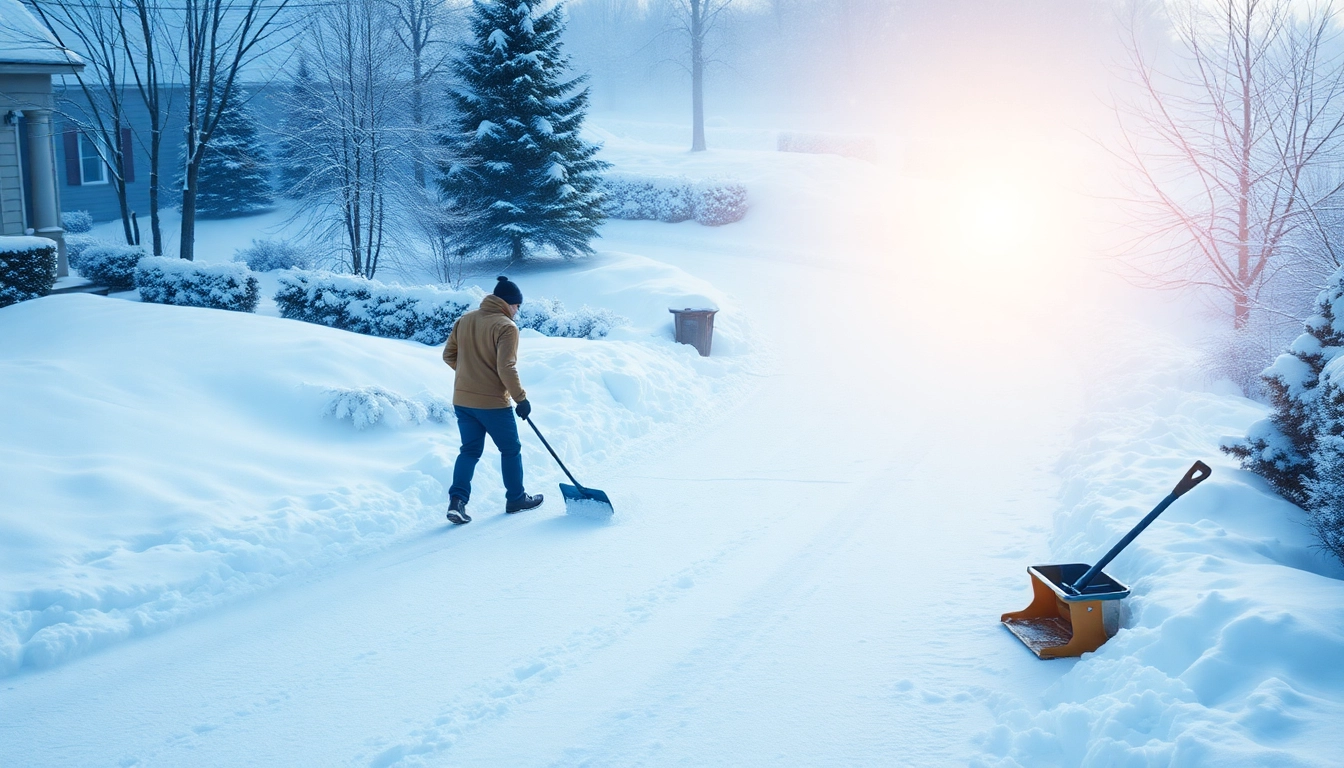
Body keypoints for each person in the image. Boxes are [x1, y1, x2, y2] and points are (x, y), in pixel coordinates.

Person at [441, 276, 544, 524]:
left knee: (469, 451)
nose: (517, 311)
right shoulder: (506, 326)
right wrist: (521, 399)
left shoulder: (464, 320)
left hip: (463, 401)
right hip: (492, 403)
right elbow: (506, 367)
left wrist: (471, 375)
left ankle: (457, 502)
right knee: (510, 449)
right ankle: (516, 498)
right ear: (507, 303)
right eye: (517, 306)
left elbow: (448, 355)